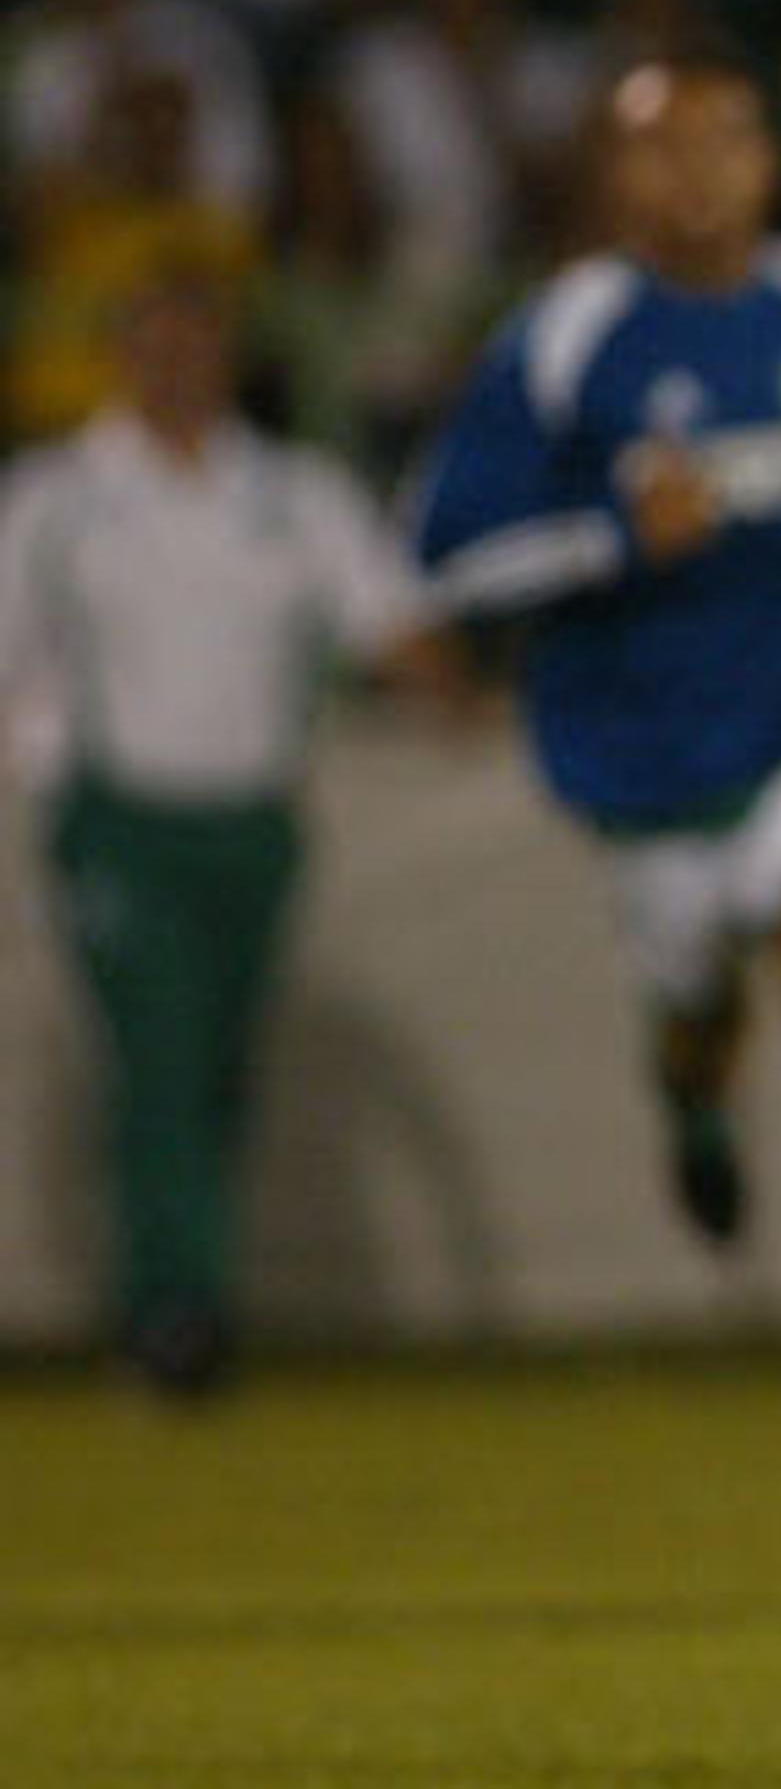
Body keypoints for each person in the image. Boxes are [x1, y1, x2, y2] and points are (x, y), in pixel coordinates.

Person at [413, 53, 781, 1512]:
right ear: (615, 177)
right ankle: (691, 1100)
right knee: (699, 1005)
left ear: (768, 159)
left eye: (729, 137)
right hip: (654, 759)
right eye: (663, 147)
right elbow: (448, 558)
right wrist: (614, 535)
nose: (701, 170)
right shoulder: (567, 337)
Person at [0, 270, 462, 1395]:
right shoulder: (57, 497)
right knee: (158, 1058)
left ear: (228, 356)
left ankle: (183, 1298)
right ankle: (175, 1315)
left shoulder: (296, 492)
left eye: (195, 343)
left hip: (252, 822)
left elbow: (388, 622)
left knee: (216, 1071)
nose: (175, 366)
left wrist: (467, 697)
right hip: (118, 820)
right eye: (153, 343)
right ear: (121, 356)